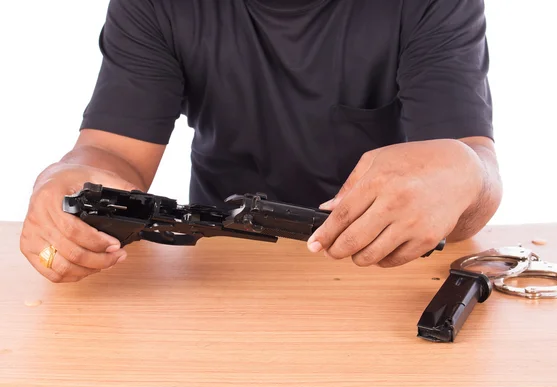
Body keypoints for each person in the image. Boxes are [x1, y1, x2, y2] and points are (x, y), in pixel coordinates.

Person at [20, 0, 502, 283]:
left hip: (383, 271)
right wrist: (59, 183)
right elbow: (112, 154)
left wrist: (466, 171)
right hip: (221, 272)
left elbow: (469, 179)